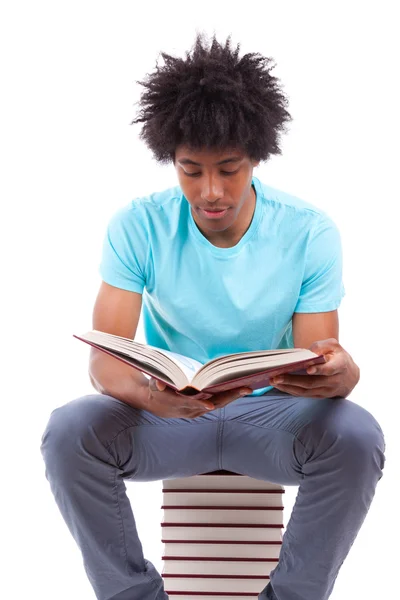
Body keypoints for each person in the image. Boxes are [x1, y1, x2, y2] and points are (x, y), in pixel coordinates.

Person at [40, 33, 386, 600]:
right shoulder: (137, 225)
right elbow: (105, 361)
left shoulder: (309, 230)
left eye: (229, 168)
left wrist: (342, 375)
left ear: (256, 156)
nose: (211, 191)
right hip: (167, 418)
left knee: (356, 434)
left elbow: (320, 364)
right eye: (190, 170)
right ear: (170, 161)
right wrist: (155, 398)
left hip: (272, 421)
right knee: (68, 430)